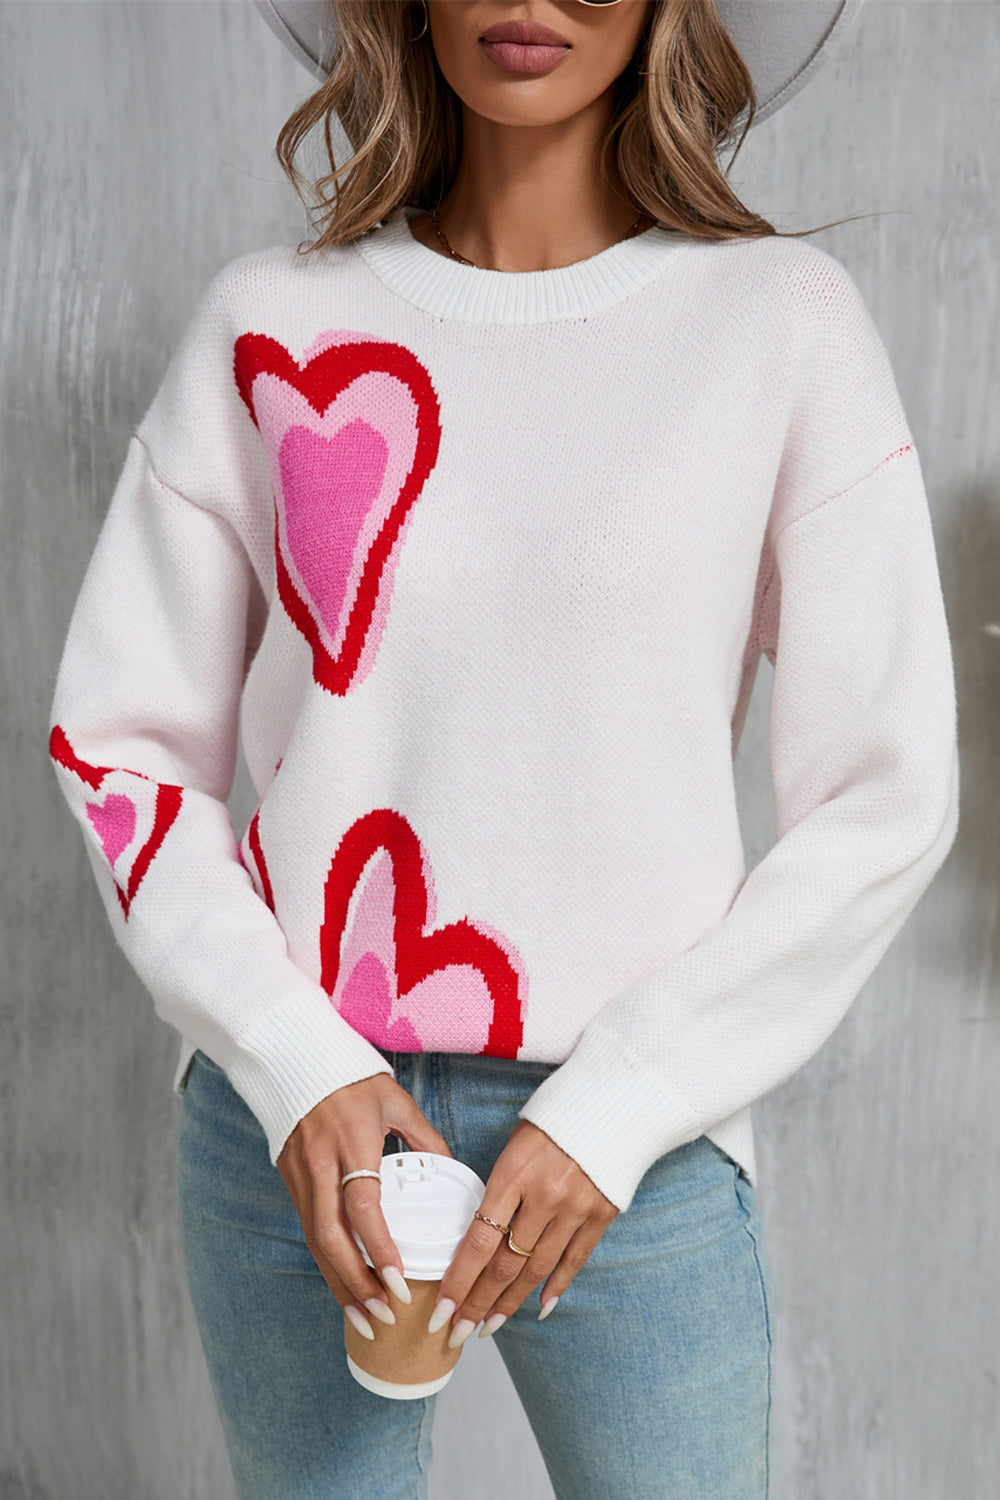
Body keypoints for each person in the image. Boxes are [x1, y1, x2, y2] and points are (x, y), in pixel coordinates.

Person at [48, 1, 960, 1496]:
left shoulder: (781, 327)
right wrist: (291, 1061)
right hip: (303, 1129)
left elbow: (888, 792)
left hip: (634, 1142)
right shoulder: (269, 324)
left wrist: (621, 1105)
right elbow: (120, 746)